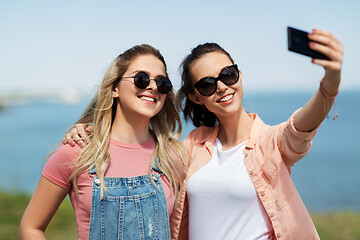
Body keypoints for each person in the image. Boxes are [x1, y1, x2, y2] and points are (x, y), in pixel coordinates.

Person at [64, 29, 343, 240]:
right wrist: (92, 128)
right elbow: (139, 151)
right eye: (208, 84)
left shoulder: (271, 142)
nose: (221, 86)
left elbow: (302, 125)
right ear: (197, 97)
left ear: (239, 75)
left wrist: (330, 82)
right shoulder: (191, 147)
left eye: (228, 74)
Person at [19, 44, 188, 240]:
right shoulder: (77, 151)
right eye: (141, 78)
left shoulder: (172, 157)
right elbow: (31, 227)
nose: (152, 86)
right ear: (115, 88)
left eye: (162, 83)